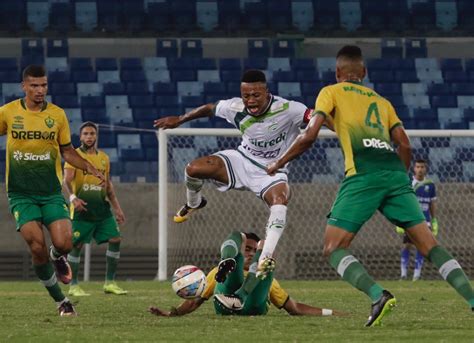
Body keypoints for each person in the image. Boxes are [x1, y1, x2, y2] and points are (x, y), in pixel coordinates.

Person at [266, 45, 474, 326]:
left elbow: (309, 135)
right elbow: (404, 144)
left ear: (338, 72)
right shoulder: (382, 101)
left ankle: (378, 295)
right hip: (395, 174)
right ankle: (472, 301)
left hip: (363, 174)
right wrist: (399, 179)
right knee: (429, 245)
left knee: (333, 247)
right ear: (363, 73)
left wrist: (278, 163)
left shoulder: (331, 91)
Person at [154, 70, 318, 309]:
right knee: (193, 168)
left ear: (266, 92)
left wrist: (344, 133)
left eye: (255, 95)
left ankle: (267, 257)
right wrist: (180, 119)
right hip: (241, 160)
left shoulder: (289, 109)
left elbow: (317, 116)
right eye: (245, 95)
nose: (250, 100)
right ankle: (194, 202)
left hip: (271, 170)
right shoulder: (235, 107)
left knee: (280, 200)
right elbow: (210, 107)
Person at [0, 65, 105, 316]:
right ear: (24, 86)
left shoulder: (57, 115)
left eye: (44, 85)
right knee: (36, 246)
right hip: (20, 193)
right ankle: (61, 301)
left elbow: (67, 150)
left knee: (64, 243)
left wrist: (90, 167)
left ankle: (57, 255)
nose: (39, 90)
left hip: (49, 192)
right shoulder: (8, 112)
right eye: (34, 85)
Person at [149, 231, 343, 317]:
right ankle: (233, 255)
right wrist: (171, 313)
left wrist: (331, 312)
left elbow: (294, 308)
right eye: (247, 249)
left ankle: (258, 255)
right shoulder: (217, 273)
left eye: (253, 250)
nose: (249, 252)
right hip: (227, 300)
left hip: (253, 304)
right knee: (236, 260)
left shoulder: (270, 280)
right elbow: (194, 301)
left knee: (266, 266)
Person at [64, 122, 127, 296]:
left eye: (92, 133)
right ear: (80, 136)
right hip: (81, 209)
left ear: (96, 136)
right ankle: (74, 285)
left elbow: (108, 186)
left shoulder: (104, 158)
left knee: (115, 239)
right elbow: (67, 180)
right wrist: (73, 197)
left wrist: (117, 208)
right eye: (85, 133)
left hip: (102, 209)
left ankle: (110, 283)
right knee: (75, 246)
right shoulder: (74, 156)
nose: (89, 136)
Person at [396, 159, 438, 281]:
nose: (420, 169)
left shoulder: (430, 185)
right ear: (414, 168)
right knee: (406, 245)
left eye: (422, 167)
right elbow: (402, 200)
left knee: (422, 247)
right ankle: (403, 274)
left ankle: (416, 275)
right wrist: (400, 218)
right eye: (418, 167)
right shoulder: (409, 182)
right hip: (410, 220)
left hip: (425, 221)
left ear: (426, 169)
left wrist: (434, 220)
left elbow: (432, 203)